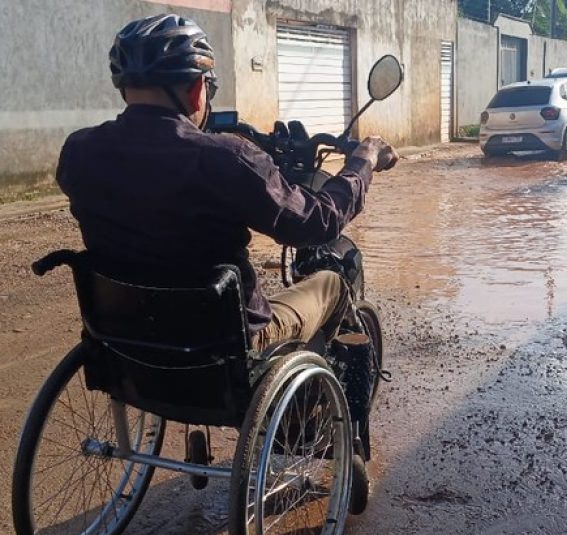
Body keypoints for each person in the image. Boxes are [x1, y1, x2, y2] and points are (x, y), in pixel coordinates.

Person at [56, 14, 398, 353]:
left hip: (124, 338)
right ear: (196, 91)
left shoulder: (78, 151)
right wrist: (362, 163)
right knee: (331, 285)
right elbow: (317, 223)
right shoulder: (227, 158)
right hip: (220, 345)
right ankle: (346, 405)